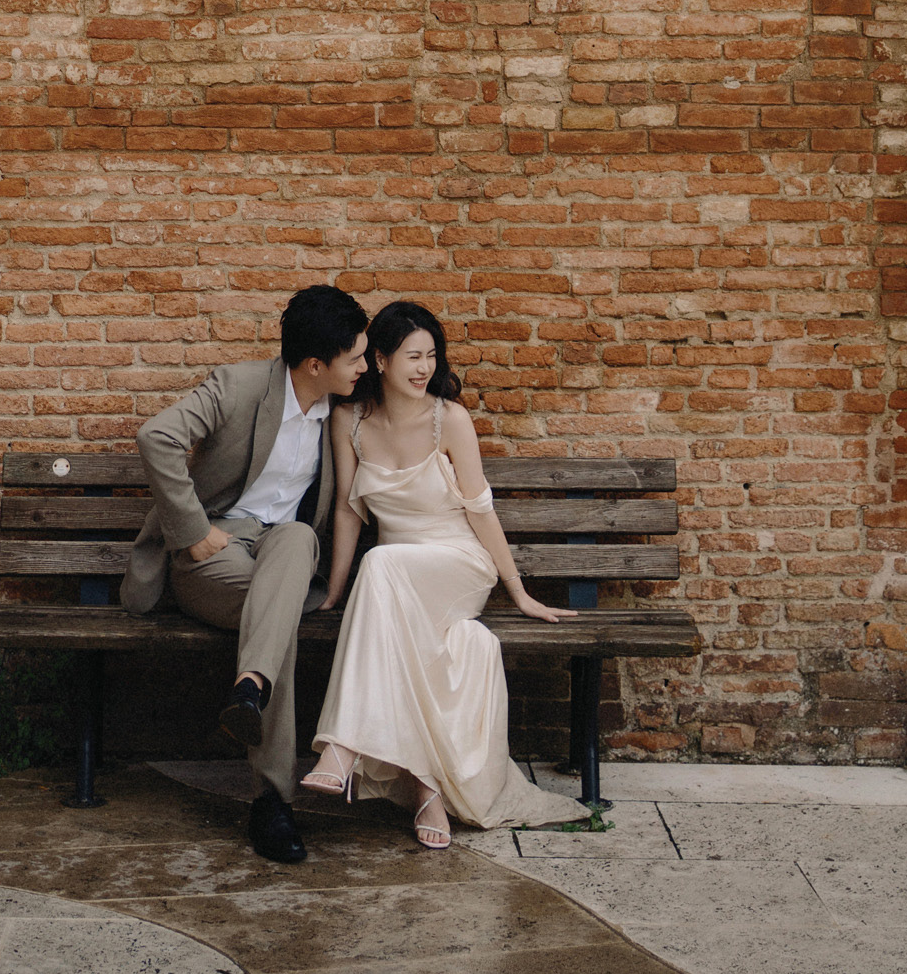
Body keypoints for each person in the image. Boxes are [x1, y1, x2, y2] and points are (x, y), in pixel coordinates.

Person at [300, 300, 579, 849]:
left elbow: (480, 510)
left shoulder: (449, 419)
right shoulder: (348, 420)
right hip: (396, 581)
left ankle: (343, 745)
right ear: (381, 360)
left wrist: (517, 591)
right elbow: (348, 510)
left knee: (380, 563)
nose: (424, 367)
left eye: (431, 355)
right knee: (393, 594)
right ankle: (427, 789)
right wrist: (334, 591)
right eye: (412, 356)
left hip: (458, 563)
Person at [125, 282, 369, 865]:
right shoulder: (238, 386)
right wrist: (194, 530)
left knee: (297, 538)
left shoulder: (345, 410)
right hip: (216, 555)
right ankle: (271, 801)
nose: (364, 367)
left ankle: (249, 691)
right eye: (355, 358)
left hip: (285, 555)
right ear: (316, 365)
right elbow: (156, 436)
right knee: (277, 617)